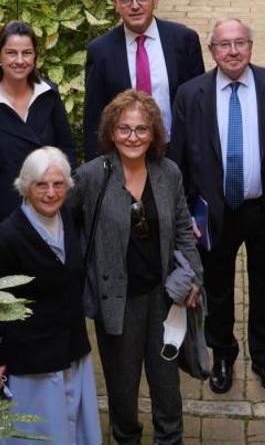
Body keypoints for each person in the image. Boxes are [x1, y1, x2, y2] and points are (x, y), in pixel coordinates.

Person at [168, 18, 265, 395]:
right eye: (224, 45)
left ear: (250, 46)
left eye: (240, 43)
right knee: (217, 287)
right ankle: (223, 354)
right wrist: (184, 215)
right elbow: (176, 160)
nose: (232, 51)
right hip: (212, 214)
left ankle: (264, 355)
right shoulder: (190, 94)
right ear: (211, 51)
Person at [71, 90, 202, 444]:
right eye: (124, 129)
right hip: (117, 303)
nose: (133, 137)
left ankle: (169, 439)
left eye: (142, 129)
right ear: (111, 133)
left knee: (167, 388)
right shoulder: (91, 176)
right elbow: (68, 228)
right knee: (123, 391)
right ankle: (127, 438)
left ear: (154, 133)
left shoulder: (167, 172)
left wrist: (193, 281)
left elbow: (183, 233)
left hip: (164, 299)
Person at [0, 146, 100, 445]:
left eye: (58, 184)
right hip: (33, 358)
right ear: (25, 186)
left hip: (71, 347)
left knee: (72, 427)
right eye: (41, 185)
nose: (50, 193)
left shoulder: (69, 220)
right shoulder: (5, 237)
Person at [0, 20, 76, 261]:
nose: (19, 61)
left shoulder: (48, 95)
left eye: (26, 53)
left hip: (49, 212)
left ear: (35, 57)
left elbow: (67, 149)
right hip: (0, 216)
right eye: (11, 53)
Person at [83, 0, 204, 160]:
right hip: (123, 156)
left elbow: (198, 105)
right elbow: (93, 118)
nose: (135, 5)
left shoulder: (184, 40)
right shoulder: (100, 51)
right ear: (116, 3)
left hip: (176, 154)